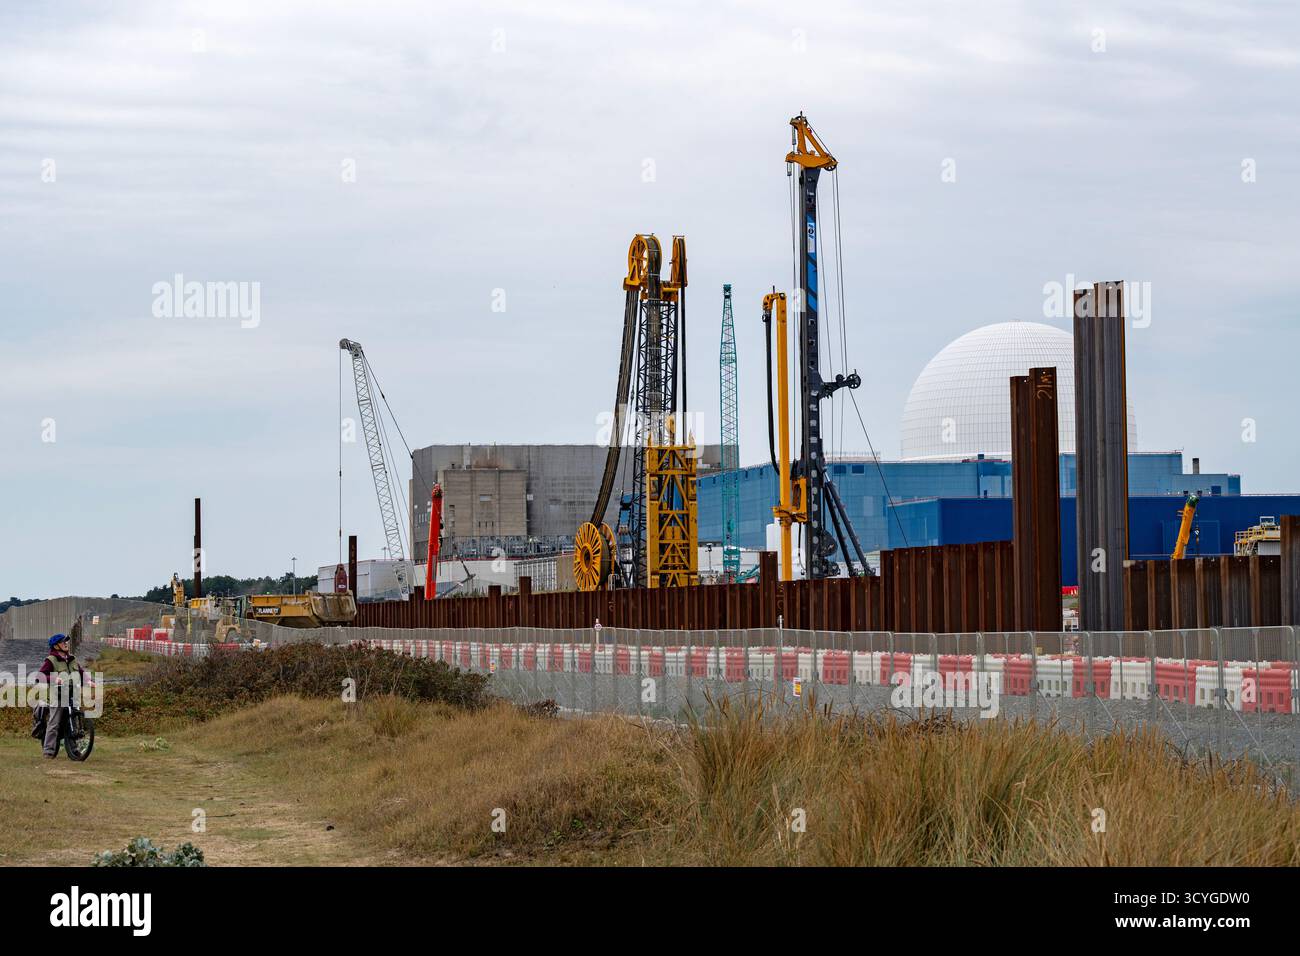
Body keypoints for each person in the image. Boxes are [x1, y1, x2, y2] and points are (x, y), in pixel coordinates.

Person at [31, 634, 85, 759]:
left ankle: (74, 750)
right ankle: (48, 752)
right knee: (54, 724)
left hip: (72, 695)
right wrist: (55, 679)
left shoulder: (72, 659)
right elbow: (40, 676)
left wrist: (90, 681)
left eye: (66, 641)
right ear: (56, 646)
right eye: (63, 642)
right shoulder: (51, 660)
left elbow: (81, 673)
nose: (66, 644)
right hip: (58, 696)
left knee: (73, 723)